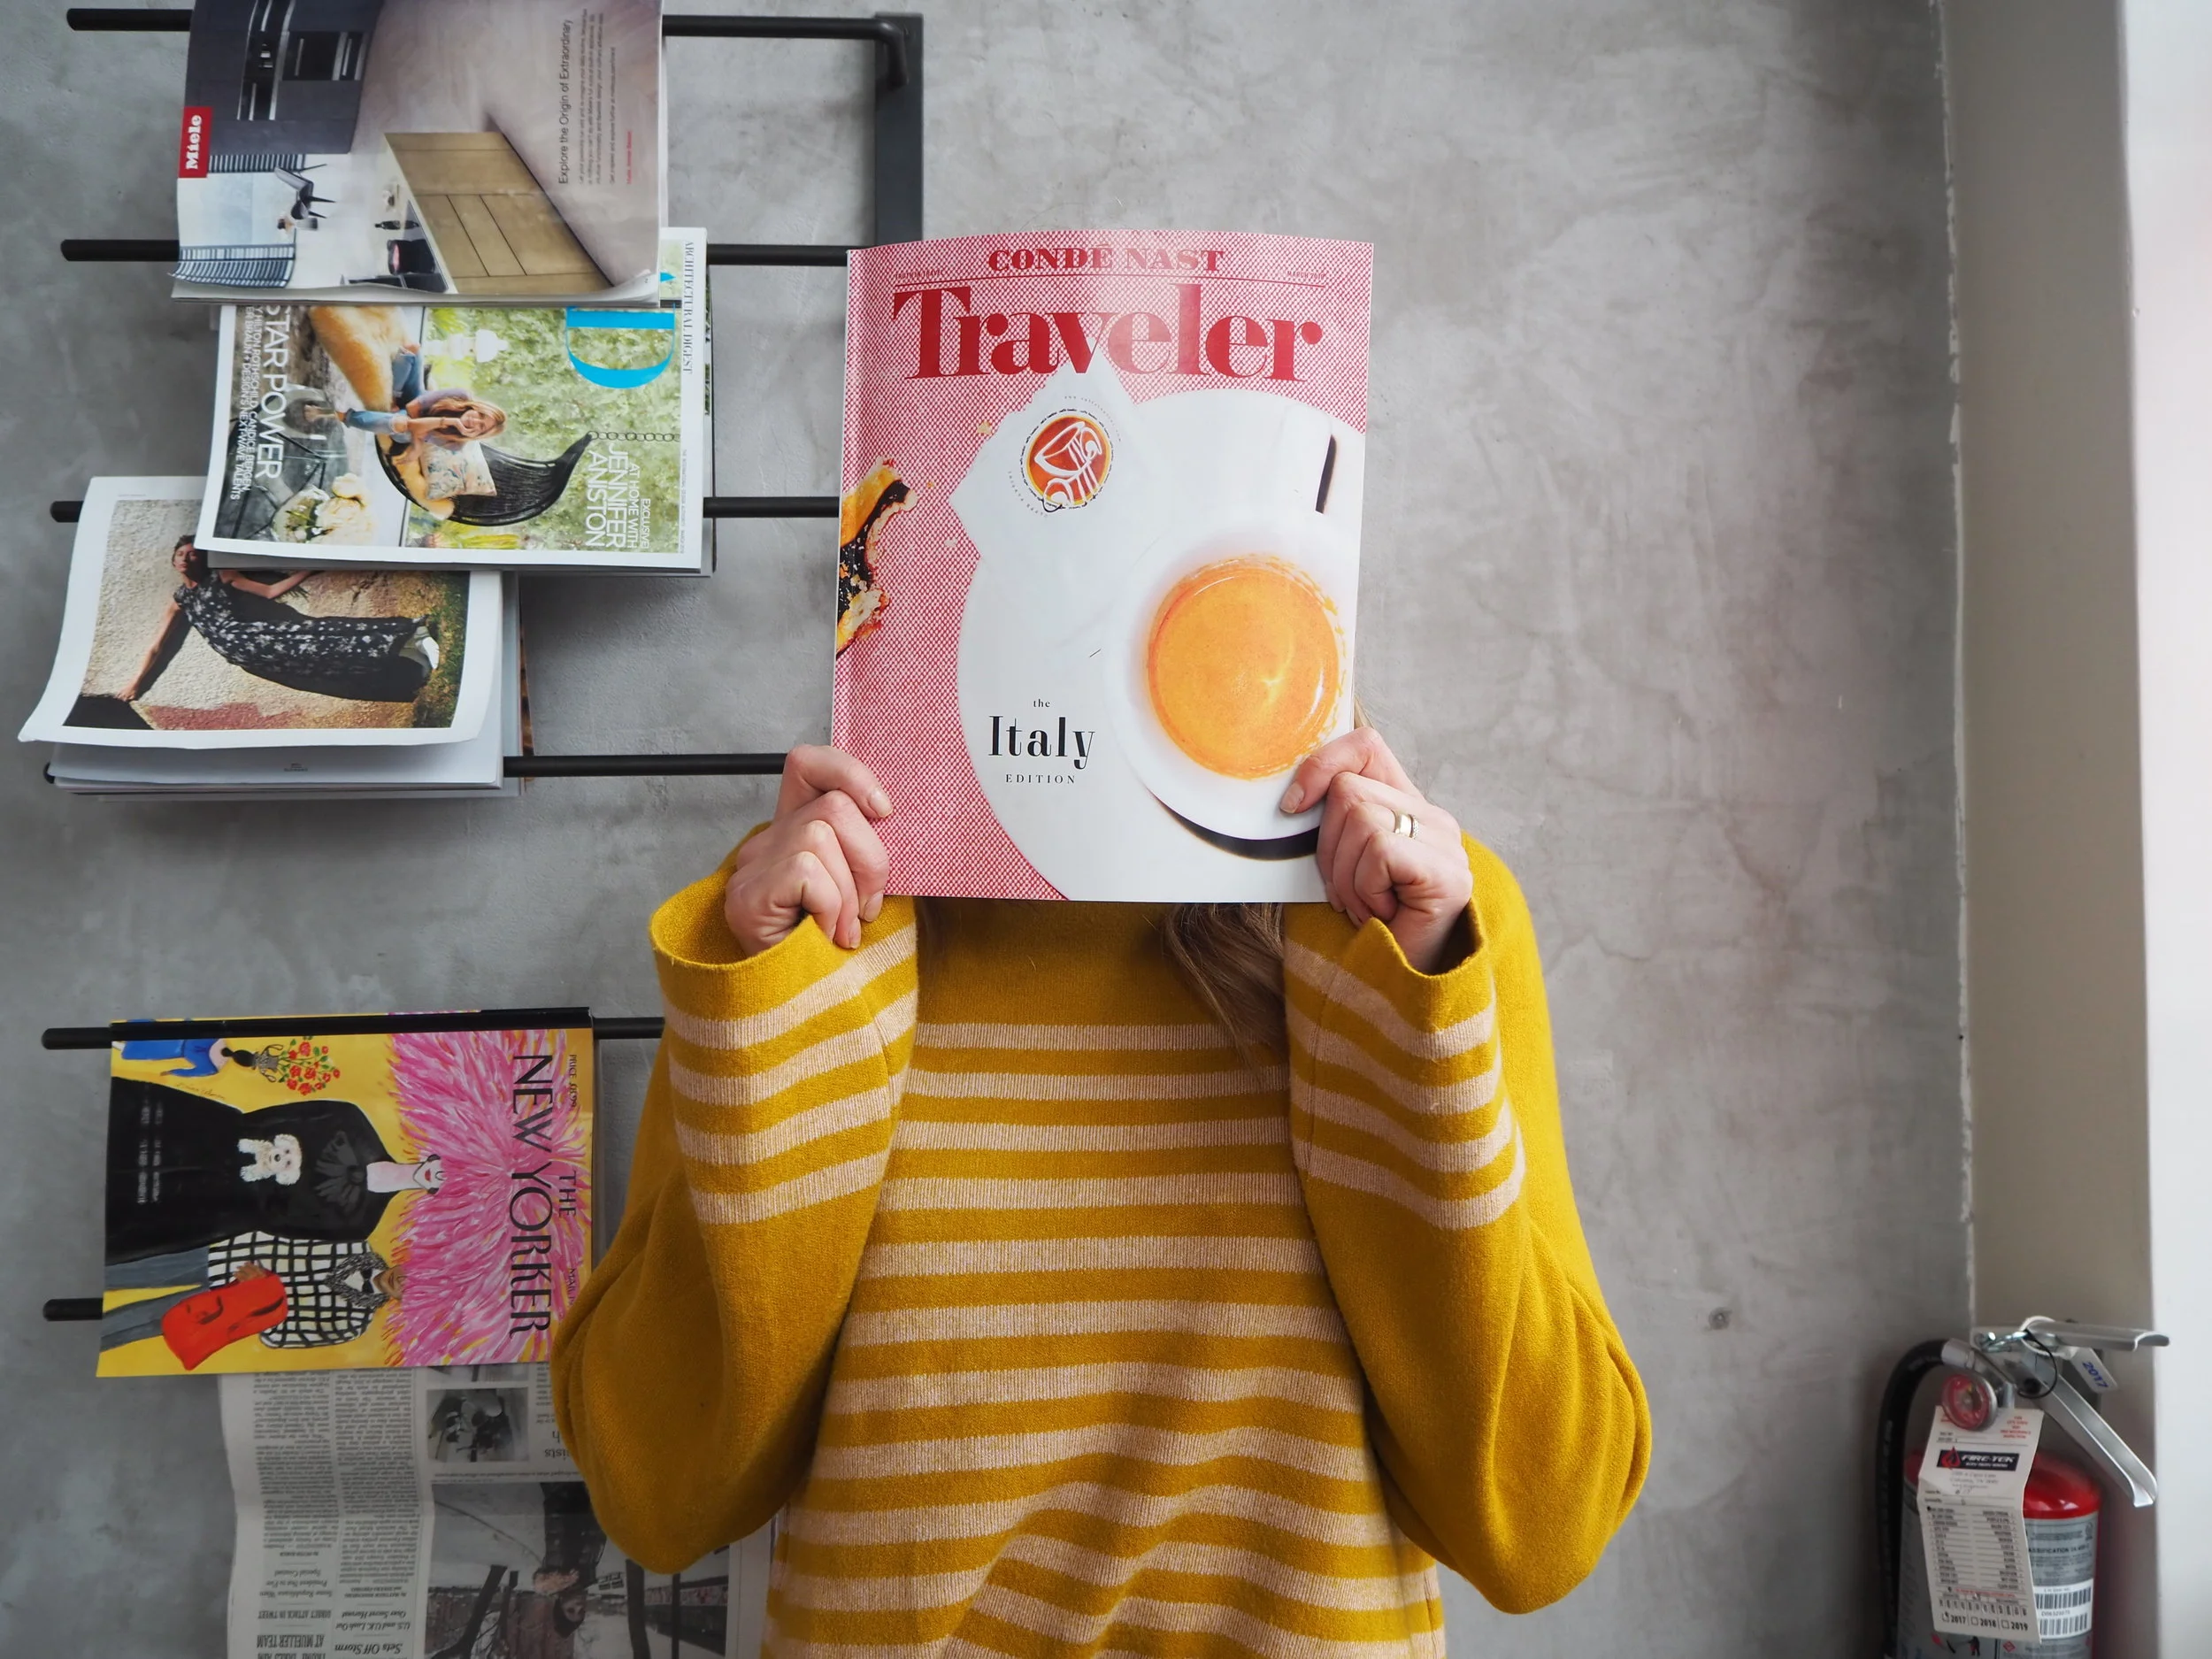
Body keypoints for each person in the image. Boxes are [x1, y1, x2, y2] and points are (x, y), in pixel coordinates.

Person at [553, 733, 1650, 1653]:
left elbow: (1541, 1528)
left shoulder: (1411, 923)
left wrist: (1411, 1004)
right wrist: (769, 997)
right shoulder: (816, 906)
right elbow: (660, 1492)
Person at [106, 1078, 442, 1262]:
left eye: (443, 1183)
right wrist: (257, 1140)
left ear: (432, 1193)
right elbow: (280, 1115)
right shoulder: (351, 1120)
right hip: (222, 1136)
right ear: (431, 1156)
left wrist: (271, 1187)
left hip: (226, 1205)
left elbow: (281, 1223)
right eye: (442, 1168)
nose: (437, 1175)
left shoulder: (360, 1225)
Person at [120, 536, 441, 707]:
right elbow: (158, 646)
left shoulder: (222, 577)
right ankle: (408, 661)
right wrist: (136, 683)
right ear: (173, 562)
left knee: (329, 638)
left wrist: (308, 569)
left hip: (267, 637)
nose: (186, 559)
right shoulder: (180, 599)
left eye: (192, 554)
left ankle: (415, 632)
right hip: (252, 658)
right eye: (181, 555)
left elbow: (270, 591)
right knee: (328, 666)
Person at [100, 1233, 403, 1356]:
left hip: (222, 1311)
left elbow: (278, 1338)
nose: (404, 1279)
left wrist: (262, 1291)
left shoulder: (353, 1322)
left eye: (413, 1287)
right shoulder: (353, 1241)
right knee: (126, 1270)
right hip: (226, 1256)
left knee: (138, 1322)